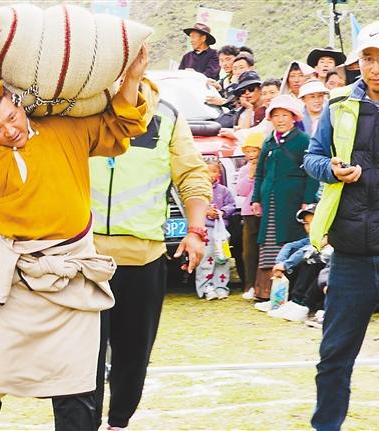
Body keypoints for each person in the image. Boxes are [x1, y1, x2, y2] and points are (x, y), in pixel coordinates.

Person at [0, 18, 152, 430]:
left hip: (73, 276)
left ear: (18, 103)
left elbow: (120, 127)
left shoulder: (65, 128)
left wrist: (132, 77)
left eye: (12, 117)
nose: (9, 131)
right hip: (14, 279)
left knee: (76, 383)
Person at [90, 87, 211, 429]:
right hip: (85, 259)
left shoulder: (166, 115)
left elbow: (192, 174)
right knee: (81, 358)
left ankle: (118, 423)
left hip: (143, 259)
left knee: (133, 355)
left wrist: (196, 230)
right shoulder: (82, 104)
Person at [302, 21, 379, 430]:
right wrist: (331, 169)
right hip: (349, 258)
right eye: (368, 59)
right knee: (333, 359)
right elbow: (311, 158)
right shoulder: (338, 104)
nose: (375, 68)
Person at [251, 95, 319, 302]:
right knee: (268, 240)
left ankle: (289, 289)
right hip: (270, 198)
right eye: (276, 116)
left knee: (291, 238)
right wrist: (256, 198)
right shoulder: (268, 141)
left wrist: (307, 199)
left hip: (293, 199)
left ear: (293, 118)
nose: (280, 120)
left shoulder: (303, 140)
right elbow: (260, 172)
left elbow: (311, 173)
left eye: (284, 115)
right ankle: (265, 291)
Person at [267, 204, 330, 322]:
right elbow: (290, 246)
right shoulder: (311, 238)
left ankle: (305, 306)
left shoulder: (331, 236)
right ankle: (294, 302)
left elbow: (309, 250)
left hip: (330, 275)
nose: (309, 226)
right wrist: (280, 264)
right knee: (302, 261)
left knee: (312, 261)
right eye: (306, 223)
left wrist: (285, 265)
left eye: (313, 222)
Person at [194, 161, 235, 300]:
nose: (210, 175)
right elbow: (193, 205)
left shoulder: (224, 190)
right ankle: (206, 287)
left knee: (222, 257)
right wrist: (206, 211)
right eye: (206, 171)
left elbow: (231, 204)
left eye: (213, 171)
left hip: (221, 231)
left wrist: (221, 212)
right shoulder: (198, 190)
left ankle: (221, 287)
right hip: (205, 229)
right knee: (206, 258)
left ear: (219, 174)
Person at [237, 132, 265, 300]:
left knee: (265, 249)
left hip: (266, 211)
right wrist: (250, 175)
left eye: (254, 151)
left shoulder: (268, 166)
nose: (250, 155)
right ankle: (249, 284)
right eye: (247, 151)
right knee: (249, 251)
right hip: (249, 213)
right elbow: (241, 191)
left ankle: (263, 285)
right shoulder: (244, 169)